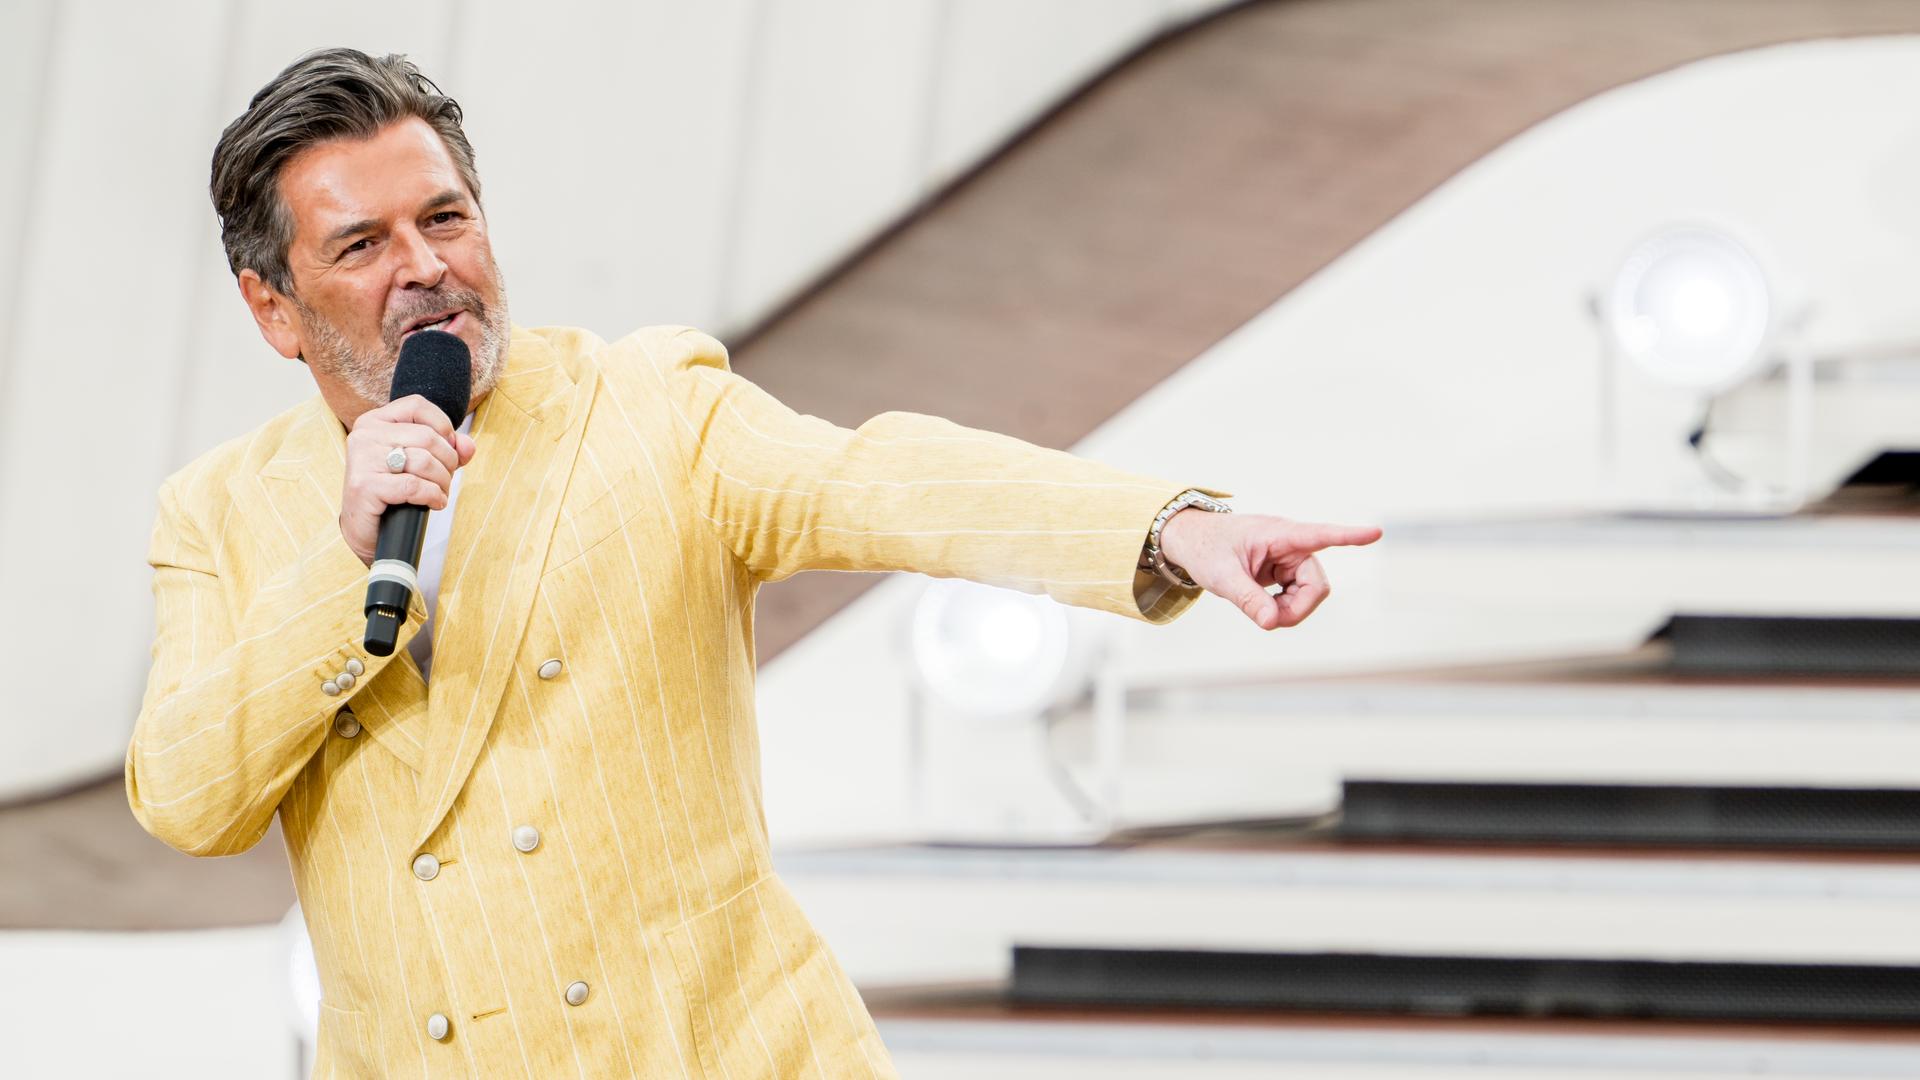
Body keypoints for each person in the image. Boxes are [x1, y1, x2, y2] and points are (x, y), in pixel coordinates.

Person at [126, 47, 1381, 1079]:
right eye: (361, 245)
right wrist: (343, 563)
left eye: (444, 216)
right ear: (272, 308)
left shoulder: (647, 407)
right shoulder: (219, 514)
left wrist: (1166, 528)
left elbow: (885, 479)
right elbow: (187, 800)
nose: (426, 267)